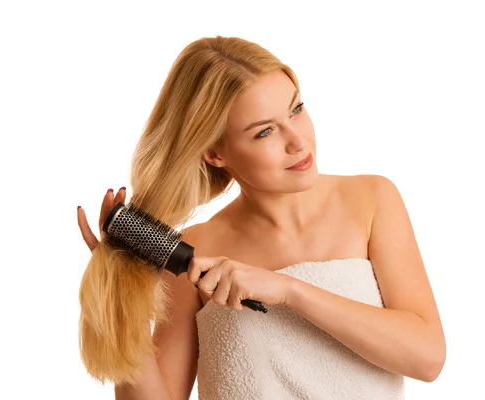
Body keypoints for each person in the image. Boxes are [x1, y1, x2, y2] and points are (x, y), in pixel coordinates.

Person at [77, 35, 445, 400]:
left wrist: (290, 291)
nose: (298, 141)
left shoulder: (371, 201)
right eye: (265, 131)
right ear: (215, 153)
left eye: (296, 109)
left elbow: (427, 359)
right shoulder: (195, 252)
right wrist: (123, 300)